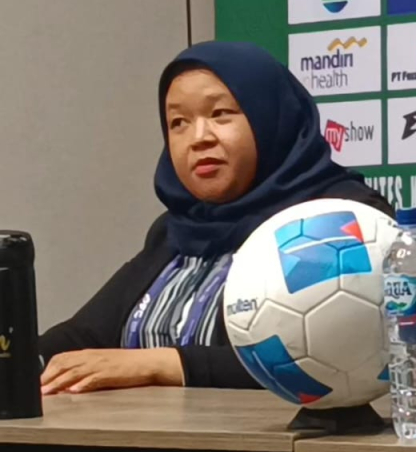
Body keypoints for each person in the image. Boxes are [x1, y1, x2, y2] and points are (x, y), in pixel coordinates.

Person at [38, 41, 392, 394]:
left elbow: (332, 358)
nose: (199, 138)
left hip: (274, 430)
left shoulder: (341, 220)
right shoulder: (177, 230)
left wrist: (163, 365)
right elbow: (81, 336)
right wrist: (23, 358)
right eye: (178, 122)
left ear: (271, 116)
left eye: (220, 114)